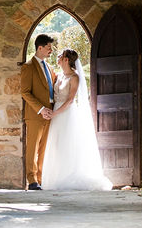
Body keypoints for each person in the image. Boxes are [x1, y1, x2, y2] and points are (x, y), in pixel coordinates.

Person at [41, 48, 113, 191]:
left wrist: (55, 114)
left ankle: (68, 177)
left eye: (60, 56)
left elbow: (70, 100)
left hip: (66, 113)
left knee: (67, 144)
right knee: (56, 144)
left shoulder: (75, 78)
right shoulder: (59, 75)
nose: (58, 58)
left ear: (66, 60)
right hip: (56, 112)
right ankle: (55, 178)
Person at [20, 33, 57, 190]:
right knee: (32, 148)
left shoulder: (49, 67)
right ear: (40, 48)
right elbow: (25, 92)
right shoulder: (28, 67)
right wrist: (41, 109)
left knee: (43, 150)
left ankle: (40, 179)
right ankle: (32, 180)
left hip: (50, 113)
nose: (51, 50)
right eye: (49, 48)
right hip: (35, 115)